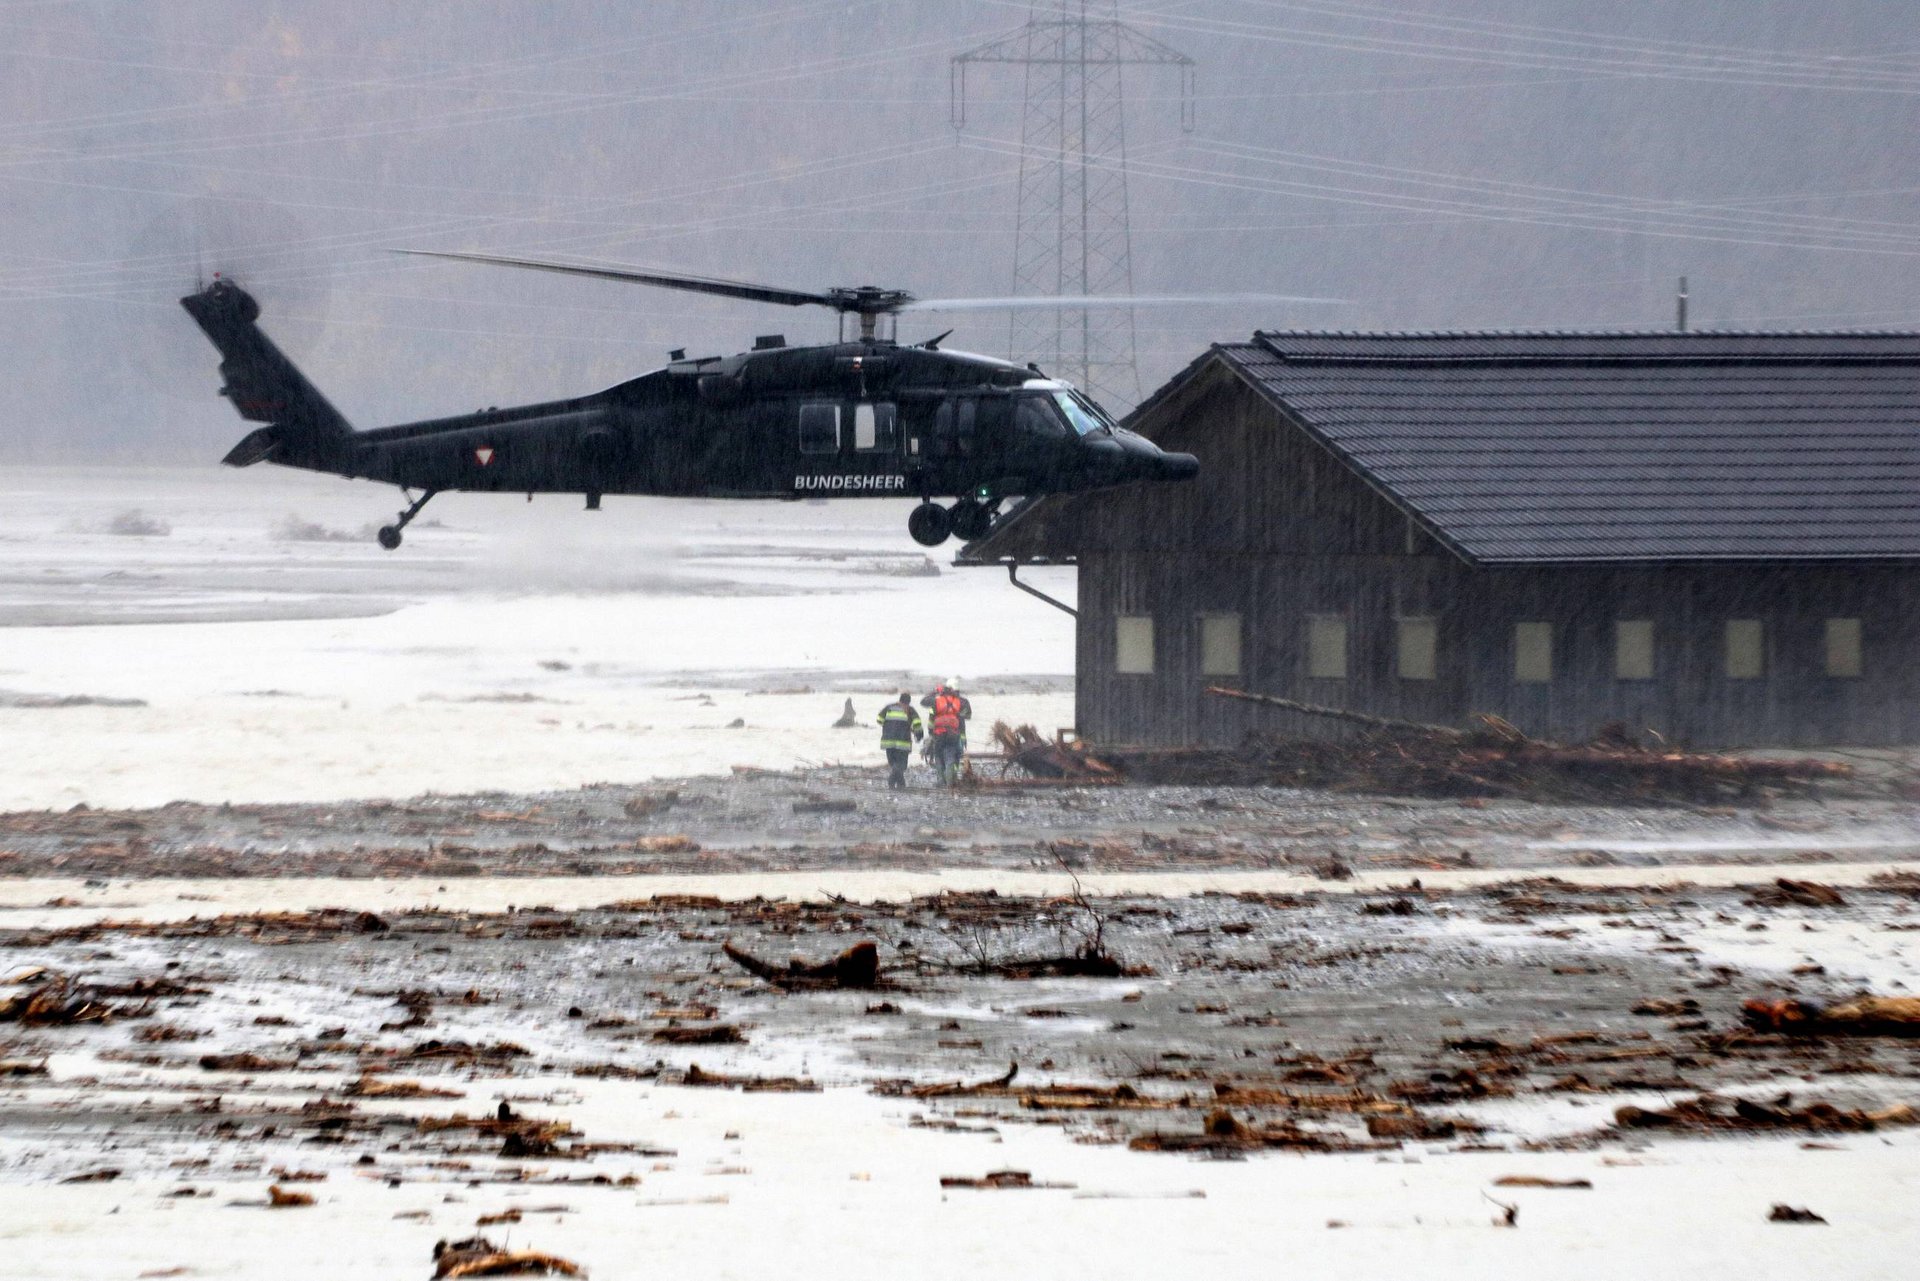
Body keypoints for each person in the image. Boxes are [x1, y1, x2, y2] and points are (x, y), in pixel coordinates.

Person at [921, 678, 973, 786]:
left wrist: (935, 691)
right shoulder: (961, 702)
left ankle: (942, 781)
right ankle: (951, 781)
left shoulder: (937, 700)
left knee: (939, 756)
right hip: (956, 735)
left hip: (939, 734)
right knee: (954, 757)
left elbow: (924, 703)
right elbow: (968, 715)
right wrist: (958, 716)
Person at [876, 693, 922, 789]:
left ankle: (901, 784)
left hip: (888, 742)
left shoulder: (889, 707)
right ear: (909, 702)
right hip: (903, 743)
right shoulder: (910, 710)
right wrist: (919, 735)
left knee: (893, 763)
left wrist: (889, 725)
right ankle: (892, 781)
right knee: (901, 765)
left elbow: (879, 720)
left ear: (900, 700)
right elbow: (917, 724)